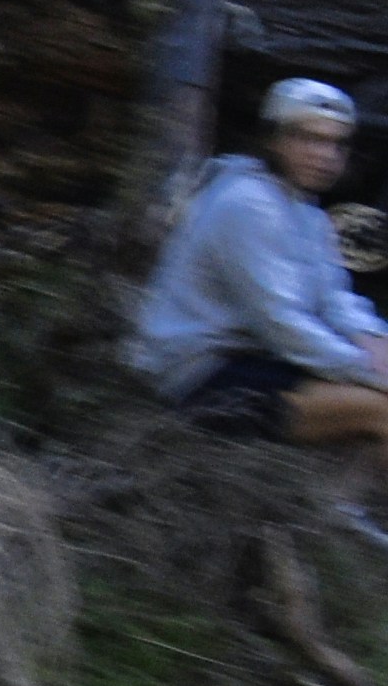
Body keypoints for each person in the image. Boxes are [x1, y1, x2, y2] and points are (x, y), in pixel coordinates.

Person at [134, 76, 388, 513]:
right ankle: (341, 520)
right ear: (274, 139)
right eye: (309, 139)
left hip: (254, 364)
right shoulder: (247, 204)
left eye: (336, 144)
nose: (325, 155)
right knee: (382, 409)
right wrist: (368, 371)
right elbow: (281, 323)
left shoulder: (303, 210)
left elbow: (334, 298)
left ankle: (342, 513)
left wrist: (373, 339)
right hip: (202, 378)